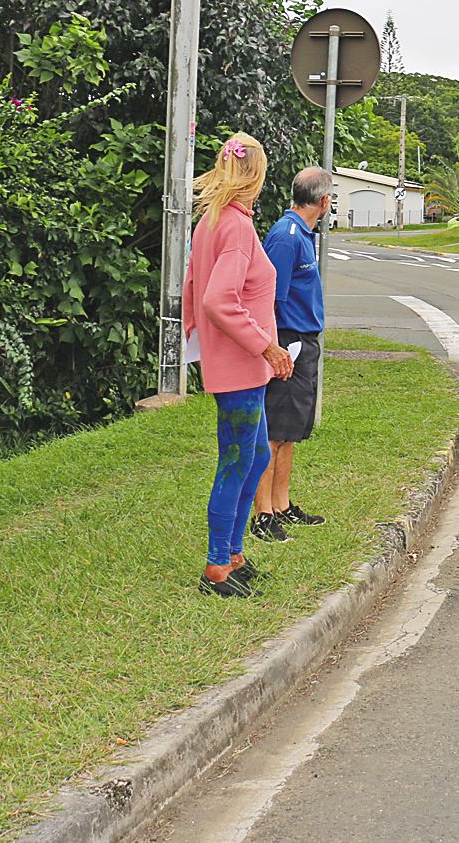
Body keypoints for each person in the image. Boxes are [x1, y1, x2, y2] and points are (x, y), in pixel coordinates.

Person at [183, 132, 294, 597]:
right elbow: (217, 299)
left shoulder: (213, 222)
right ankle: (217, 563)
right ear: (257, 175)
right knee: (235, 459)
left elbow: (193, 290)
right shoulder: (235, 227)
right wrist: (266, 346)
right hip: (241, 363)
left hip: (238, 363)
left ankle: (232, 552)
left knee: (257, 454)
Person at [252, 167, 334, 543]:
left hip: (304, 340)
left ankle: (282, 505)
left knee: (289, 432)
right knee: (273, 431)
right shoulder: (286, 238)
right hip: (289, 341)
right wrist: (276, 349)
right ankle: (263, 514)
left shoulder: (303, 234)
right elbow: (268, 299)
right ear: (323, 201)